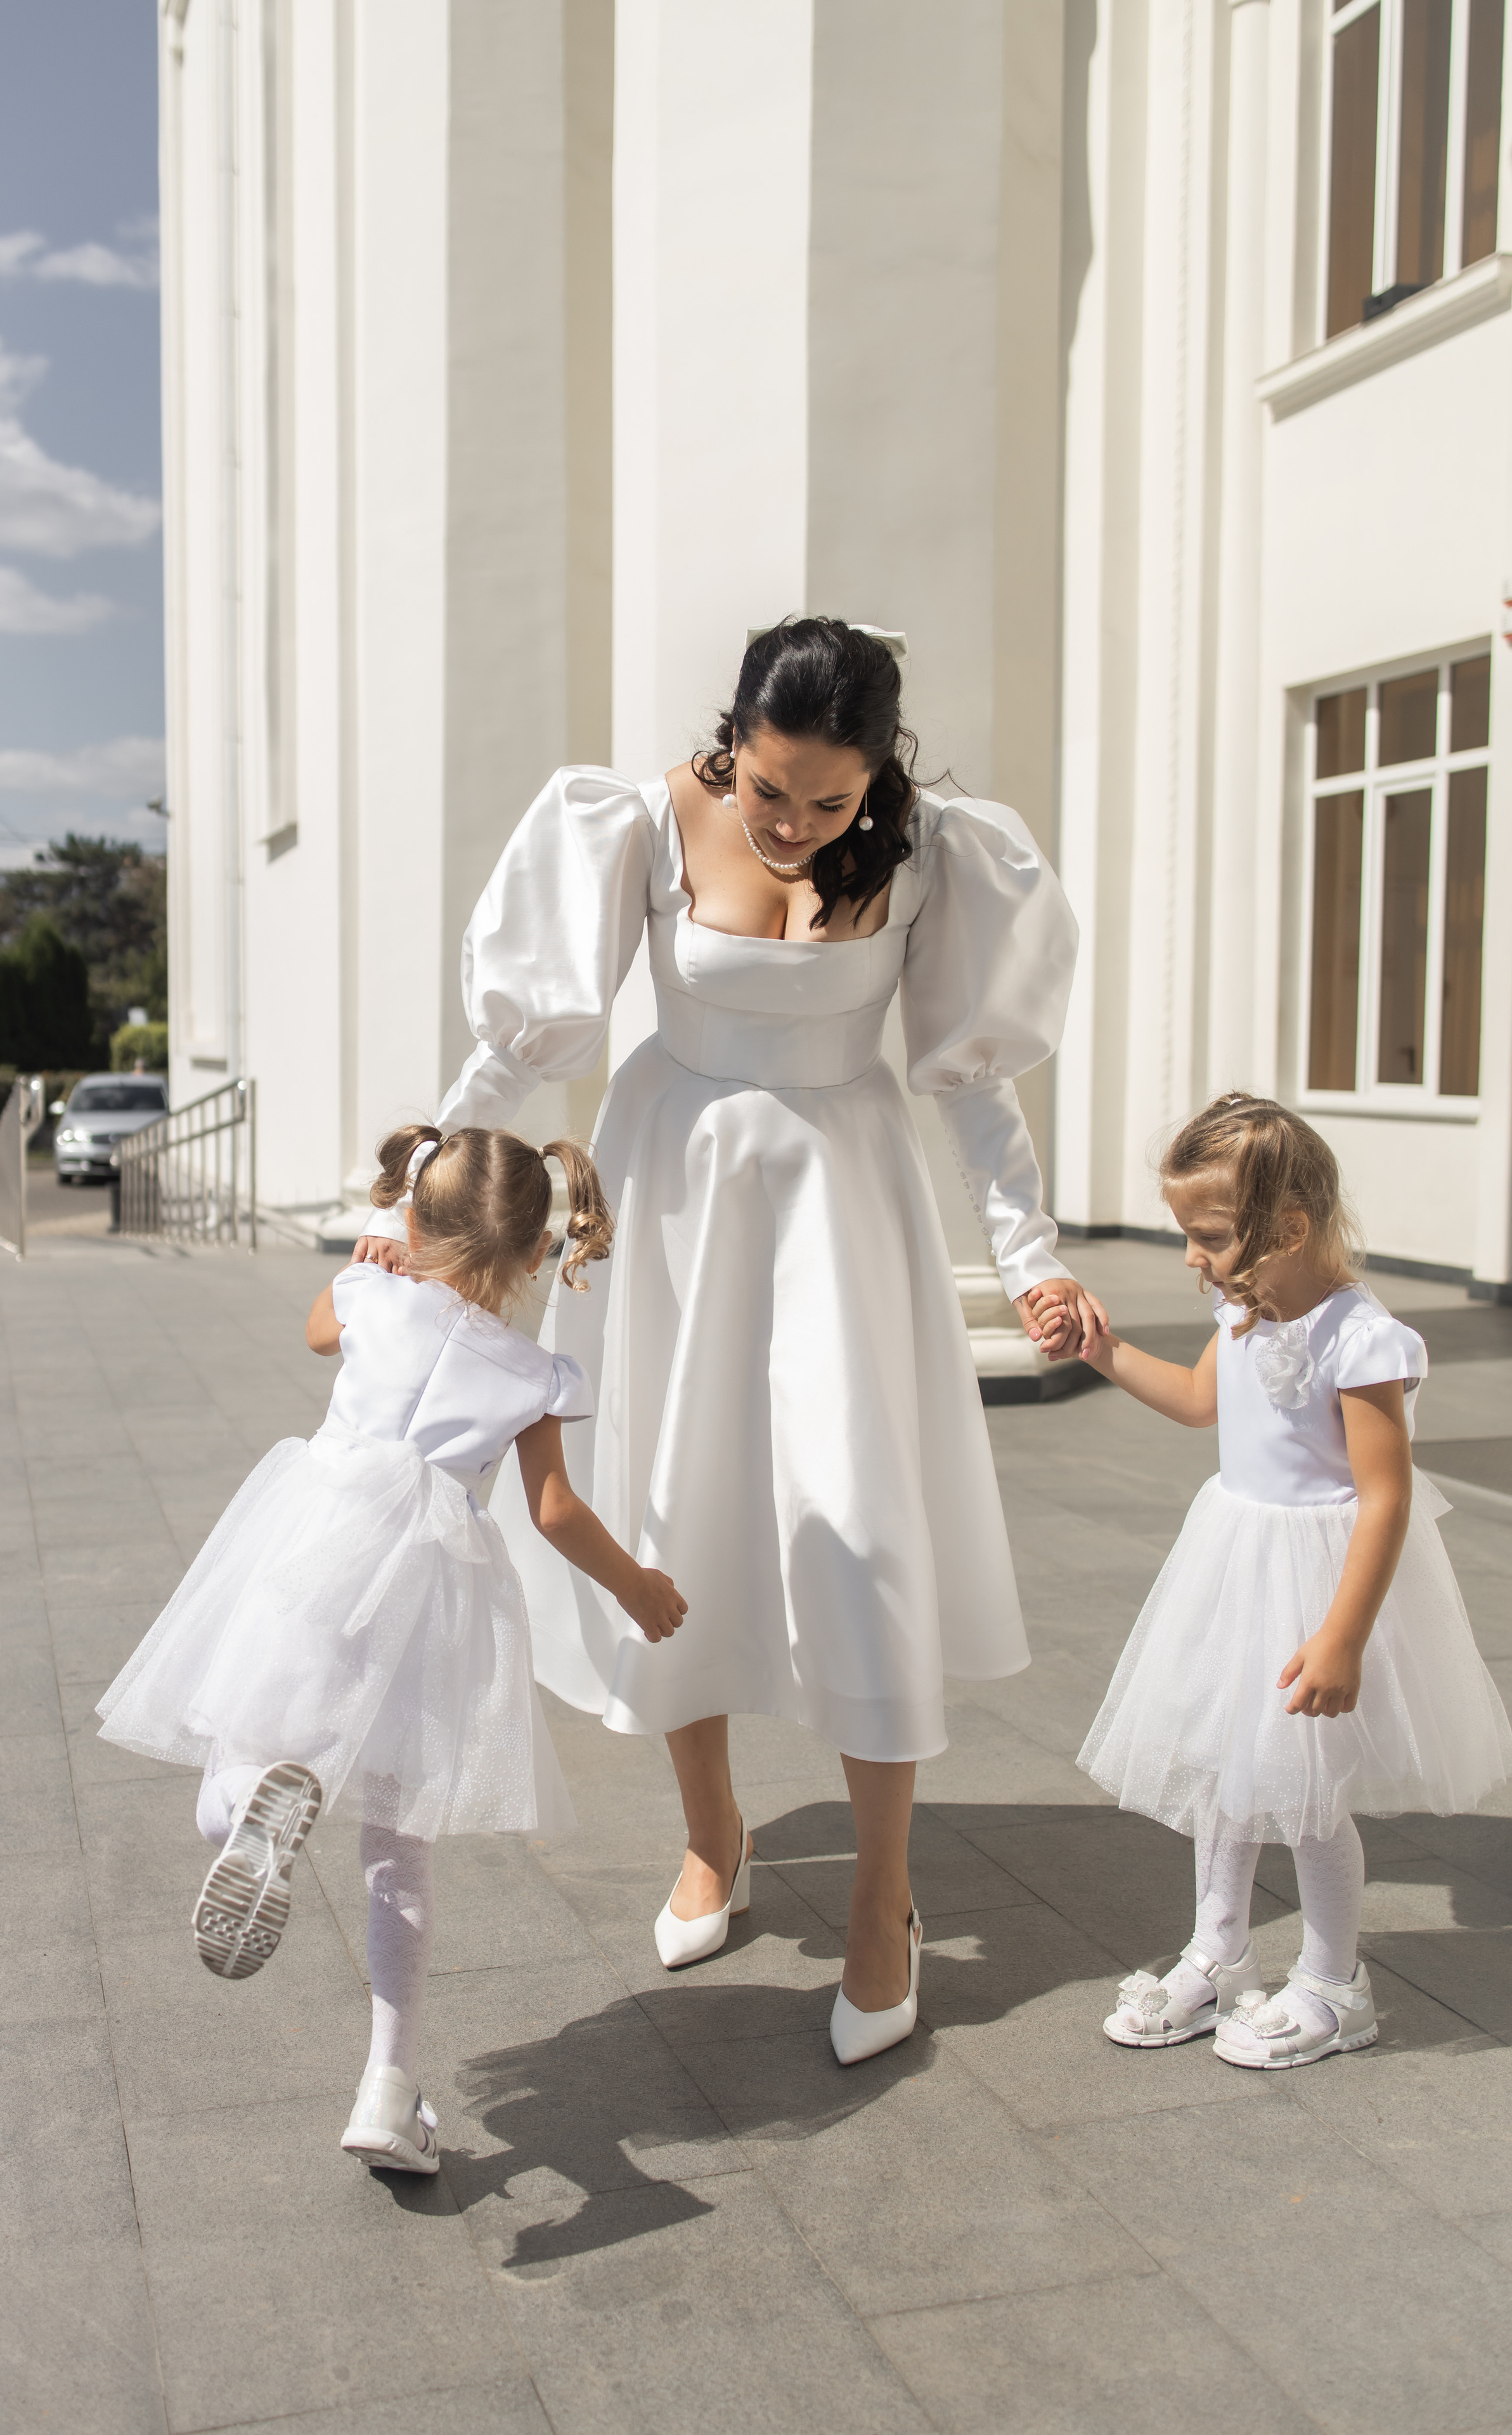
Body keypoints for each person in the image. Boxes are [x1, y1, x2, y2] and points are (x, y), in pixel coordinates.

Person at [354, 617, 1106, 2066]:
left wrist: (1027, 1254)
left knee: (859, 1522)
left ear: (877, 772)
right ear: (733, 740)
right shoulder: (637, 817)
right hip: (670, 1188)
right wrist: (418, 1195)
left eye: (828, 804)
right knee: (667, 1511)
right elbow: (527, 1043)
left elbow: (968, 1080)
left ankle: (882, 1901)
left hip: (843, 1195)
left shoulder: (936, 853)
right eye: (769, 792)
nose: (789, 825)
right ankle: (712, 1835)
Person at [96, 1125, 687, 2170]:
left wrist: (372, 1248)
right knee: (397, 1852)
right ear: (535, 1255)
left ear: (417, 1217)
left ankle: (248, 1812)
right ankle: (385, 2088)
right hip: (424, 1608)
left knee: (237, 1751)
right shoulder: (534, 1371)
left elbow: (317, 1331)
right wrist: (637, 1588)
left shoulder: (373, 1293)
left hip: (313, 1556)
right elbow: (554, 1514)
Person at [1067, 1094, 1511, 2067]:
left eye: (1208, 1237)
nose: (1192, 1257)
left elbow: (1386, 1496)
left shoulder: (1362, 1337)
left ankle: (1333, 1980)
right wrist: (1105, 1352)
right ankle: (1220, 1952)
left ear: (1289, 1228)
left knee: (1310, 1795)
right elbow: (1197, 1404)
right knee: (1230, 1774)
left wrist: (1344, 1635)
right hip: (1234, 1567)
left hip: (1317, 1584)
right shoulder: (1244, 1310)